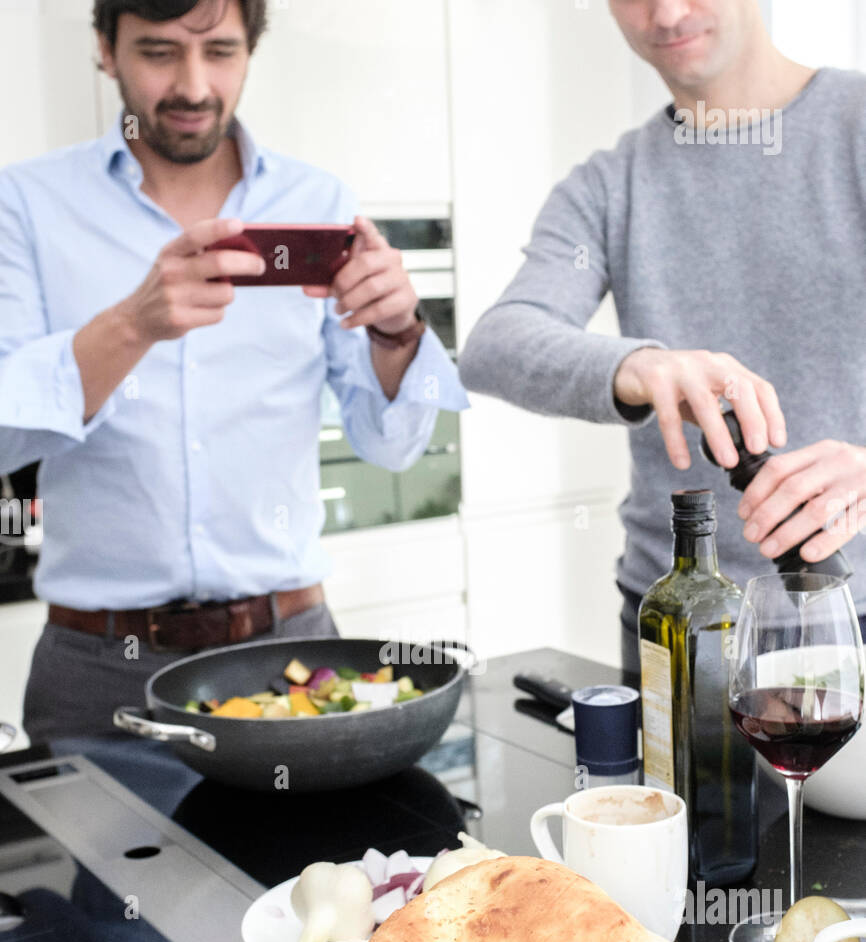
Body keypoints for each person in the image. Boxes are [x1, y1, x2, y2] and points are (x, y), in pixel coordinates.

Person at [0, 0, 467, 744]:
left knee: (320, 866)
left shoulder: (317, 204)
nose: (192, 85)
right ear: (104, 48)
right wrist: (131, 325)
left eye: (219, 51)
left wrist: (397, 334)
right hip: (97, 672)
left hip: (292, 654)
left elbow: (392, 446)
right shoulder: (24, 203)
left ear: (251, 49)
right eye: (157, 52)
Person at [458, 0, 866, 677]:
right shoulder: (608, 183)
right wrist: (639, 365)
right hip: (678, 630)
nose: (667, 12)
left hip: (851, 616)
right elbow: (496, 343)